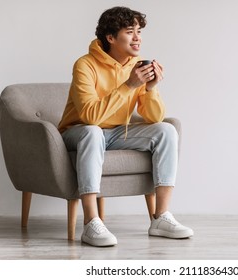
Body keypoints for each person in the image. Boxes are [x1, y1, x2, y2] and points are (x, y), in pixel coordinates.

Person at [58, 6, 193, 247]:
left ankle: (160, 217)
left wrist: (150, 88)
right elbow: (90, 116)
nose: (137, 37)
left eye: (139, 31)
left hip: (118, 133)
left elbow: (154, 117)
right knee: (93, 132)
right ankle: (91, 222)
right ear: (110, 37)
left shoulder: (135, 66)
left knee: (166, 130)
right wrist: (129, 85)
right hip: (78, 132)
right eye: (130, 31)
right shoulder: (85, 65)